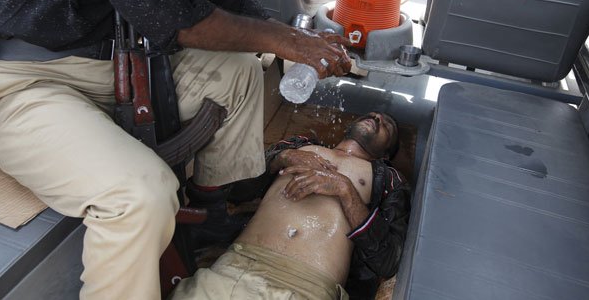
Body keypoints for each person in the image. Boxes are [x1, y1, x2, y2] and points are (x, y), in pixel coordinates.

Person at [0, 0, 351, 299]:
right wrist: (286, 40)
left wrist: (294, 40)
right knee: (140, 198)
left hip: (112, 63)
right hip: (21, 79)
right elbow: (164, 11)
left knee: (238, 68)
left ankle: (212, 216)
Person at [170, 112, 412, 300]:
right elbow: (237, 191)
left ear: (386, 154)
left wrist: (346, 190)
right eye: (372, 115)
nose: (377, 118)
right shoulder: (299, 145)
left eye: (387, 126)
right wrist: (279, 159)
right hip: (235, 267)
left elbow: (387, 260)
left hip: (305, 285)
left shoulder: (388, 179)